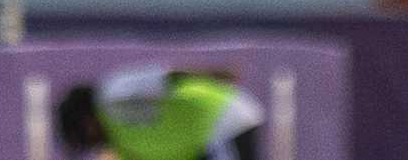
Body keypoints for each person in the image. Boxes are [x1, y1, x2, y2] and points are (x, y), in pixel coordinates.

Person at [57, 67, 265, 160]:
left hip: (224, 119)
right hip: (204, 143)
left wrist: (211, 74)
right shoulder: (124, 145)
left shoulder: (111, 95)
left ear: (86, 121)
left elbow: (165, 78)